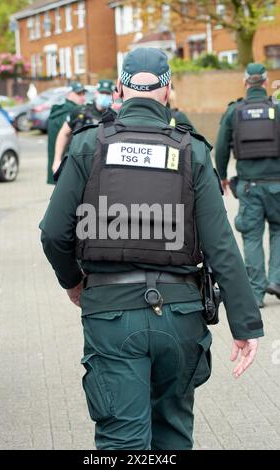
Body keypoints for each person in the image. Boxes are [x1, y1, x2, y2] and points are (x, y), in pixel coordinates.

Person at [40, 48, 264, 450]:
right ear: (167, 91)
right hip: (180, 317)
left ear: (121, 89)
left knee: (122, 441)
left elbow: (54, 233)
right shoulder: (191, 150)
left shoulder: (89, 145)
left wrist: (73, 282)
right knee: (173, 436)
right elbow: (221, 246)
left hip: (110, 314)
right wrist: (245, 325)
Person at [215, 63, 280, 308]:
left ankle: (256, 294)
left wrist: (221, 175)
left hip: (249, 187)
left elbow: (221, 147)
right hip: (277, 185)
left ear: (245, 82)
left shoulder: (234, 111)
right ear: (265, 83)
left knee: (252, 237)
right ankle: (277, 279)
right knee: (278, 231)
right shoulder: (277, 108)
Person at [46, 81, 86, 184]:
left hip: (57, 164)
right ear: (69, 95)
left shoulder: (58, 110)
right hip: (67, 165)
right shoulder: (72, 113)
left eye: (83, 93)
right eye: (78, 94)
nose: (82, 97)